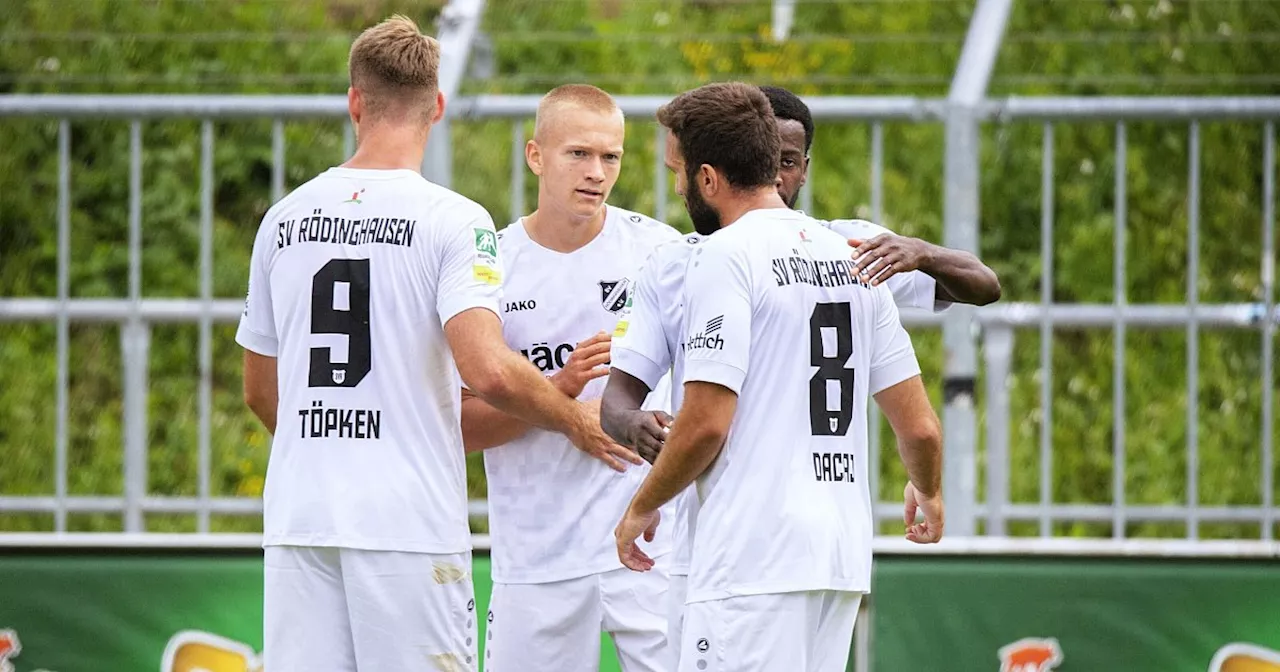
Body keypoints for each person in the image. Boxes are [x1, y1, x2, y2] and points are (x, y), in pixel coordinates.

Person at [236, 17, 619, 672]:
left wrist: (332, 452)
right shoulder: (453, 220)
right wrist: (576, 421)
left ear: (354, 101)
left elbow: (260, 392)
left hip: (302, 518)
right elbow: (488, 370)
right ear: (436, 106)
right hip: (405, 525)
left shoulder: (285, 218)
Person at [601, 84, 998, 663]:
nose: (679, 185)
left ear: (709, 177)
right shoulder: (852, 256)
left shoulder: (724, 254)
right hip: (836, 559)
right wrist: (929, 490)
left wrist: (640, 507)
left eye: (680, 172)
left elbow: (708, 423)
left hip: (750, 558)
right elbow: (920, 429)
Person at [459, 84, 679, 672]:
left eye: (611, 156)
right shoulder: (491, 268)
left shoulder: (661, 253)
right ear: (536, 156)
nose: (596, 172)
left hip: (649, 547)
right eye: (577, 154)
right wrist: (554, 391)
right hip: (537, 558)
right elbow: (461, 428)